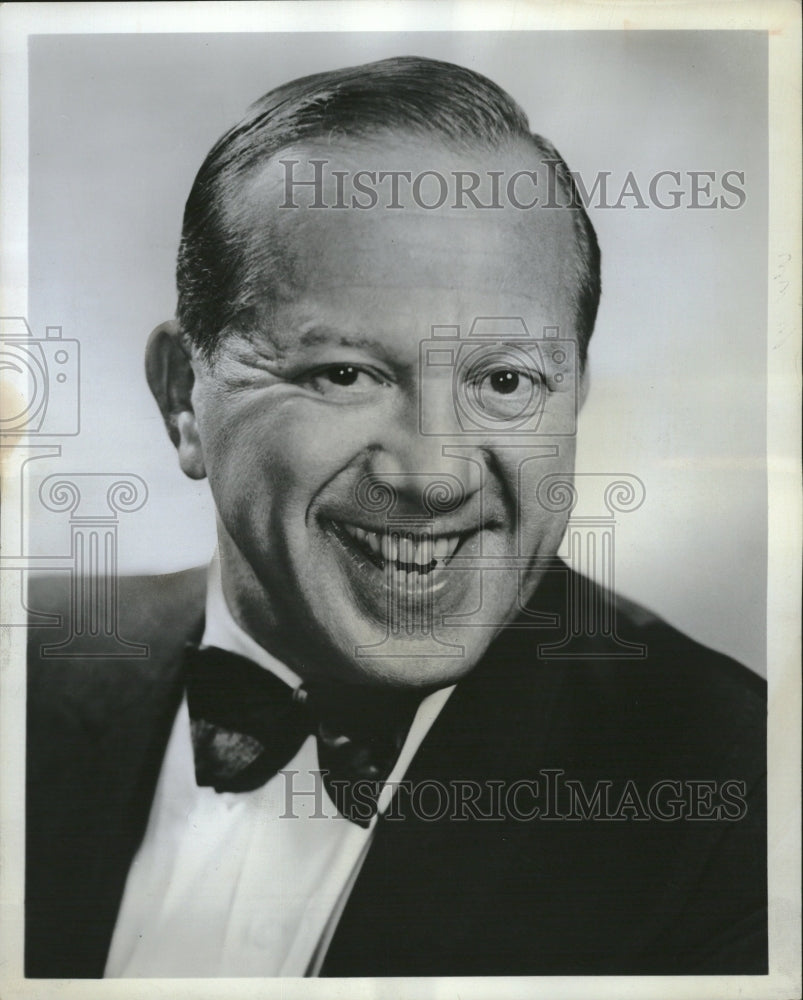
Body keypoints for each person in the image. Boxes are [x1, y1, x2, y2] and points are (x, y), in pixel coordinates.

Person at [25, 55, 766, 978]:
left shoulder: (740, 802)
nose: (434, 475)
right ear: (183, 399)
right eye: (344, 374)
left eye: (504, 381)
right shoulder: (28, 673)